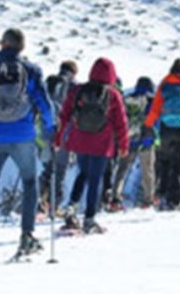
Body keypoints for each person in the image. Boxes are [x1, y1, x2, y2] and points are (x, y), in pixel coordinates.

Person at [0, 28, 55, 265]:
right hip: (23, 136)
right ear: (21, 47)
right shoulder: (32, 71)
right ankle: (26, 236)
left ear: (3, 45)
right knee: (29, 183)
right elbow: (46, 107)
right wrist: (49, 129)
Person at [55, 58, 129, 234]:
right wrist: (124, 145)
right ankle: (89, 218)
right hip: (102, 144)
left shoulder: (78, 90)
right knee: (95, 179)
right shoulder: (112, 95)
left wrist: (58, 138)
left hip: (80, 140)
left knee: (84, 173)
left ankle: (71, 207)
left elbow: (64, 114)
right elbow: (121, 123)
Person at [143, 59, 180, 210]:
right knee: (177, 165)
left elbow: (155, 109)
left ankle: (162, 196)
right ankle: (174, 200)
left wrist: (147, 125)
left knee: (164, 163)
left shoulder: (164, 84)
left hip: (165, 128)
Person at [38, 60, 78, 216]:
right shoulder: (74, 86)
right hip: (64, 133)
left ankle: (40, 204)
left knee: (47, 168)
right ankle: (54, 206)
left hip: (45, 132)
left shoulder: (49, 82)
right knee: (60, 170)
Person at [112, 76, 157, 207]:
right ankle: (148, 199)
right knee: (147, 169)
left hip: (129, 138)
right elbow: (155, 120)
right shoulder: (151, 101)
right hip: (146, 140)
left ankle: (116, 198)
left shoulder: (127, 99)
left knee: (122, 169)